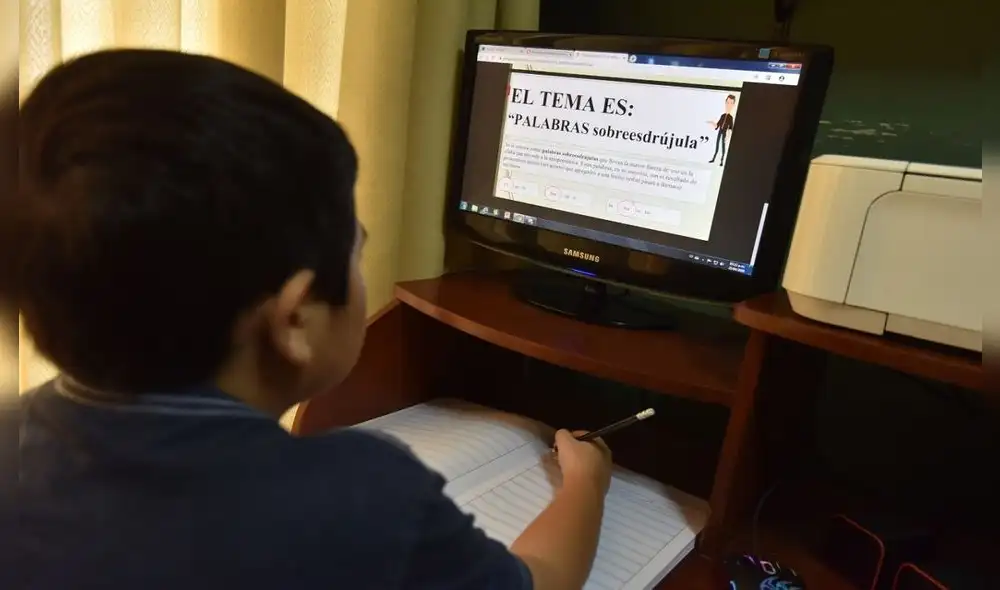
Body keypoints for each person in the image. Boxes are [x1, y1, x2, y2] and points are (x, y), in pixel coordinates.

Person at [16, 49, 612, 590]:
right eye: (357, 252)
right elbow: (543, 582)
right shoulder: (365, 501)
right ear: (296, 318)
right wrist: (586, 483)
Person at [706, 93, 737, 166]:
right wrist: (712, 123)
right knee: (717, 145)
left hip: (725, 133)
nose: (729, 105)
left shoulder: (730, 118)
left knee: (723, 147)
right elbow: (718, 124)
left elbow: (731, 128)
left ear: (733, 105)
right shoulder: (722, 115)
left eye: (731, 103)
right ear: (725, 102)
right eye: (728, 102)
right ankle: (713, 159)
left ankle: (722, 161)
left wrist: (728, 136)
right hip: (720, 132)